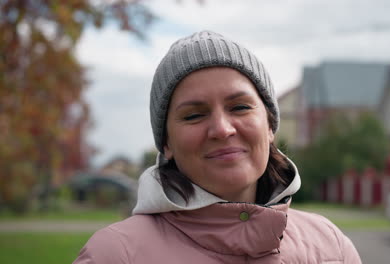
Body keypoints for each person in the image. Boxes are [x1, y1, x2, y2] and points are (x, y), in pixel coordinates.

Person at [74, 30, 362, 264]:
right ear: (166, 143)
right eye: (194, 115)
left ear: (270, 125)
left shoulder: (330, 247)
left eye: (239, 107)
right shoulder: (113, 255)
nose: (223, 129)